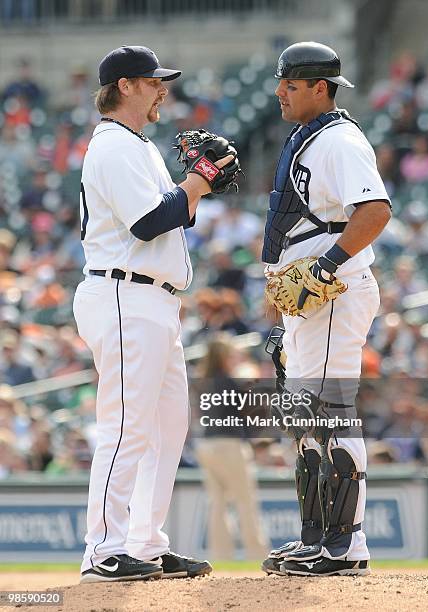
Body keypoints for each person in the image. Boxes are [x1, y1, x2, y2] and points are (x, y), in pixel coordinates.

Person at [73, 45, 237, 584]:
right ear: (125, 86)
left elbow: (170, 219)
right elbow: (147, 223)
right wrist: (198, 182)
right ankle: (104, 548)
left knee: (167, 430)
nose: (162, 88)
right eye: (152, 81)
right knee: (126, 425)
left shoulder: (137, 145)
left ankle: (143, 542)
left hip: (153, 299)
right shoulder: (114, 145)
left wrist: (195, 187)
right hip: (124, 295)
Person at [260, 42, 391, 577]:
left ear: (321, 88)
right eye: (281, 82)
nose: (280, 92)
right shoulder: (306, 137)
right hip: (308, 302)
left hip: (332, 293)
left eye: (291, 84)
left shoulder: (338, 139)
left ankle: (347, 545)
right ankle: (317, 539)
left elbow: (376, 211)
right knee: (306, 420)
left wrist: (326, 265)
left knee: (331, 416)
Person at [195, 333, 268, 560]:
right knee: (245, 501)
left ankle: (221, 558)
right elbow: (254, 411)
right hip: (229, 445)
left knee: (217, 504)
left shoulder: (204, 381)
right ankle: (258, 556)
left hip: (206, 445)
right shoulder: (229, 380)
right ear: (224, 357)